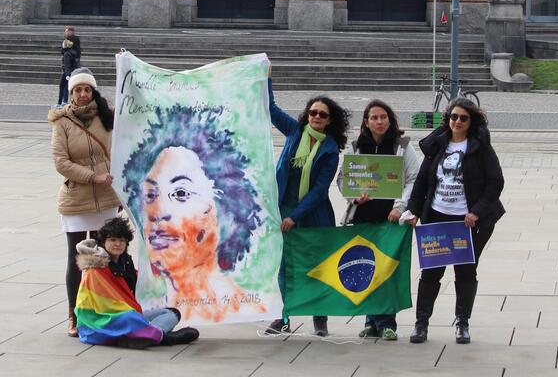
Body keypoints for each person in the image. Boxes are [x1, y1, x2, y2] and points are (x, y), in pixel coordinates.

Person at [122, 105, 266, 323]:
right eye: (150, 194)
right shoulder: (147, 307)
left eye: (180, 193)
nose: (157, 212)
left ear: (221, 209)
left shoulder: (250, 305)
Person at [405, 97, 505, 344]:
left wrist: (477, 212)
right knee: (430, 274)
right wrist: (413, 211)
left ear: (472, 122)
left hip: (466, 222)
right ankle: (421, 323)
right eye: (453, 117)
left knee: (466, 273)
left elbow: (495, 182)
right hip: (437, 217)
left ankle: (462, 323)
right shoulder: (438, 145)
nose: (457, 122)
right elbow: (421, 182)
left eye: (463, 118)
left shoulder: (479, 147)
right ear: (447, 119)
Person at [264, 73, 350, 337]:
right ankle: (284, 316)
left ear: (329, 120)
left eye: (322, 115)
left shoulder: (330, 150)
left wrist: (296, 216)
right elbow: (270, 108)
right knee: (285, 267)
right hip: (285, 208)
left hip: (314, 214)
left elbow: (319, 190)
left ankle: (320, 317)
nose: (316, 117)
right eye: (313, 112)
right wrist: (266, 78)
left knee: (317, 266)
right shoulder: (294, 131)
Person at [336, 99, 420, 341]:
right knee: (365, 268)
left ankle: (386, 323)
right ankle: (371, 322)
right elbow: (343, 179)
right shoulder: (355, 147)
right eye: (374, 117)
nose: (379, 121)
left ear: (390, 120)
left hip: (390, 219)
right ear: (366, 122)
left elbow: (414, 178)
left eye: (383, 117)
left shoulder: (402, 145)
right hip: (363, 216)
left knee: (385, 270)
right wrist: (354, 196)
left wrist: (400, 206)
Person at [48, 67, 120, 337]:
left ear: (93, 91)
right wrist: (92, 176)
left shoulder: (107, 117)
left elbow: (121, 149)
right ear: (71, 93)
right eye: (77, 90)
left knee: (104, 257)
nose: (82, 94)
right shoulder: (62, 121)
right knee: (76, 257)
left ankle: (100, 311)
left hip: (106, 198)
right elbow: (61, 161)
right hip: (76, 197)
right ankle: (74, 316)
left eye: (86, 89)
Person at [75, 217, 199, 349]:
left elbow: (142, 281)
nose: (117, 244)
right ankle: (163, 337)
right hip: (97, 323)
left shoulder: (125, 263)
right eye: (113, 240)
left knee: (172, 313)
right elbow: (104, 306)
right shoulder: (94, 270)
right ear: (103, 242)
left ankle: (142, 335)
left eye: (122, 240)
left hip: (128, 314)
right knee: (130, 318)